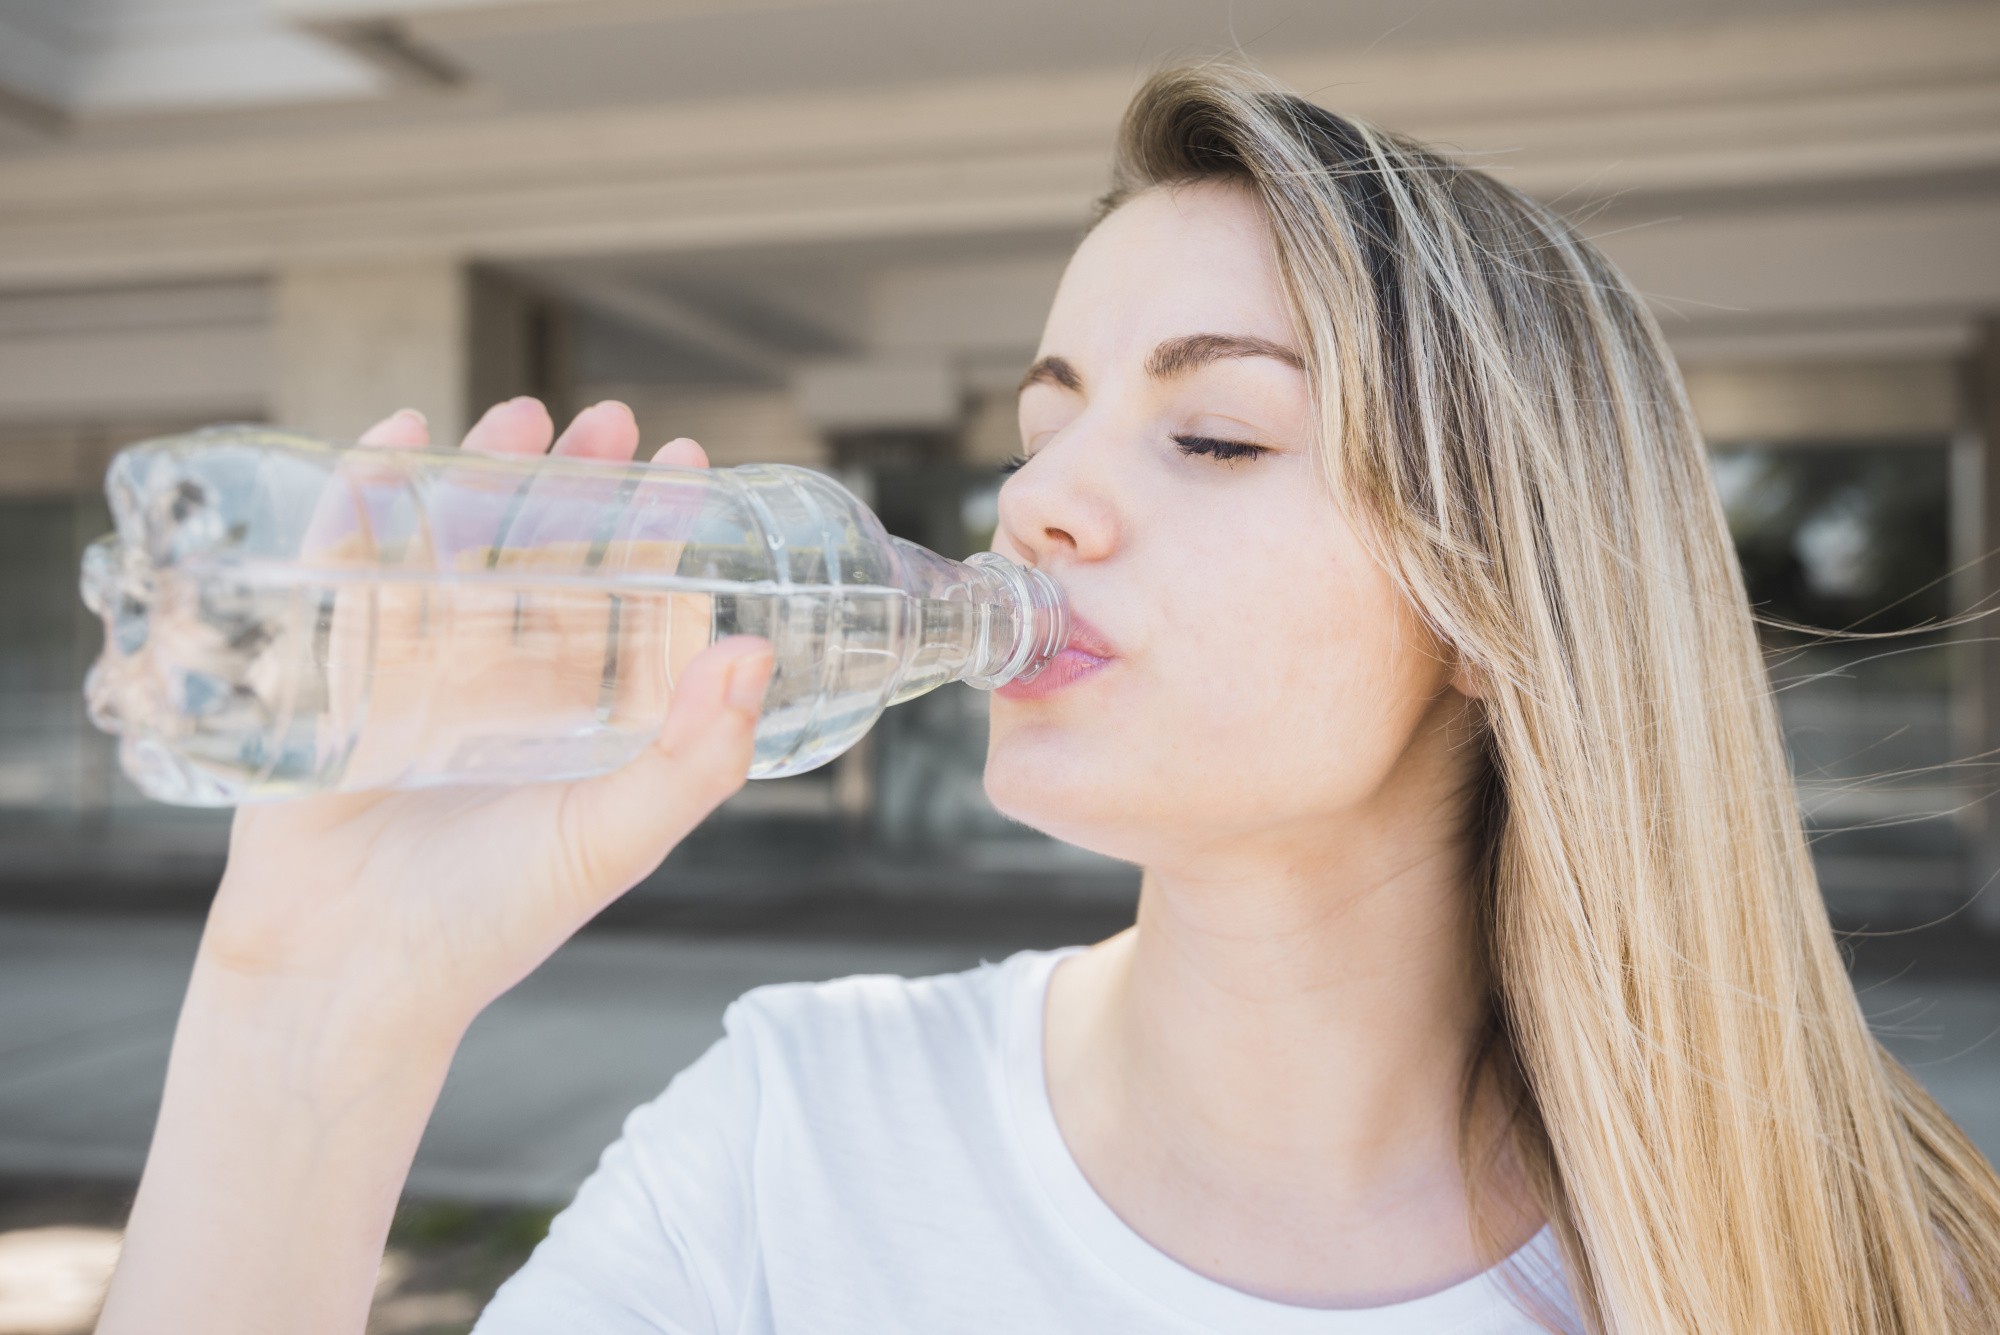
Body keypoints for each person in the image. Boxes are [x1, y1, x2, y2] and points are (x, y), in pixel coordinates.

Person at [96, 64, 2000, 1335]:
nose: (1043, 501)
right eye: (1047, 419)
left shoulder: (1848, 1259)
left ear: (1505, 597)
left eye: (1214, 432)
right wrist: (315, 1011)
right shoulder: (796, 1138)